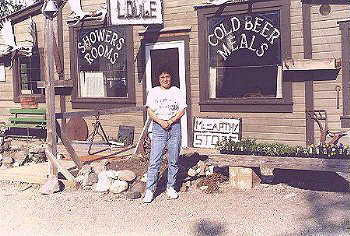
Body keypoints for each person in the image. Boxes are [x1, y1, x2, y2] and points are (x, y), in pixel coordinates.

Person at [143, 67, 187, 203]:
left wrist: (171, 121)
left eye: (167, 76)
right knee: (155, 160)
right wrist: (161, 122)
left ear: (171, 78)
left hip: (175, 127)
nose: (165, 79)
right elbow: (150, 112)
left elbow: (182, 110)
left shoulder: (177, 91)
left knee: (173, 160)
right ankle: (150, 190)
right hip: (158, 128)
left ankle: (171, 187)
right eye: (162, 77)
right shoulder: (154, 92)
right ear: (158, 79)